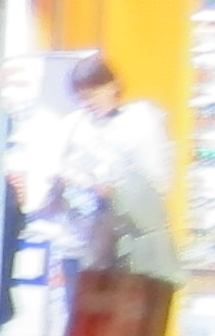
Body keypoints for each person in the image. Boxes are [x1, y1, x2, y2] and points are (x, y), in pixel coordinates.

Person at [51, 51, 177, 280]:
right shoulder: (73, 126)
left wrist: (113, 191)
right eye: (82, 98)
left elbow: (157, 182)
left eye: (93, 94)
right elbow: (56, 175)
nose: (88, 103)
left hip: (130, 246)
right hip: (81, 241)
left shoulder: (141, 121)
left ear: (113, 85)